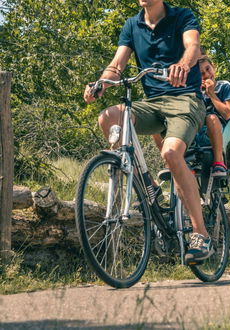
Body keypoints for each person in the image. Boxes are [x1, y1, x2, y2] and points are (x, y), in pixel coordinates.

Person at [83, 0, 213, 263]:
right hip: (152, 103)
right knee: (109, 117)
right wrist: (101, 83)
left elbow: (192, 47)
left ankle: (201, 234)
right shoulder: (132, 25)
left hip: (185, 99)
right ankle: (149, 186)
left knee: (171, 153)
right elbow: (117, 64)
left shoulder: (182, 17)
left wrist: (183, 66)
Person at [154, 55, 230, 176]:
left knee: (211, 117)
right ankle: (168, 162)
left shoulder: (224, 86)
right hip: (192, 130)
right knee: (156, 125)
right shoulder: (191, 89)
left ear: (213, 67)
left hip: (213, 132)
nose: (206, 75)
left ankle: (219, 162)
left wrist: (211, 94)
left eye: (208, 69)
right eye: (201, 73)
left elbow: (227, 114)